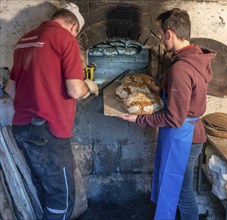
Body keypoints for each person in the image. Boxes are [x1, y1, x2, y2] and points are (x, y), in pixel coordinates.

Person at [119, 8, 216, 220]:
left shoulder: (181, 68)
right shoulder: (194, 56)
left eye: (161, 34)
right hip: (189, 132)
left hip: (185, 137)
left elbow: (173, 118)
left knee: (181, 191)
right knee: (177, 187)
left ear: (169, 33)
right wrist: (160, 91)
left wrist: (138, 119)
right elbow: (187, 95)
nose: (161, 39)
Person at [5, 3, 98, 220]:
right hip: (49, 131)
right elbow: (75, 89)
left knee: (44, 189)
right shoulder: (65, 39)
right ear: (73, 26)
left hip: (22, 128)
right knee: (62, 199)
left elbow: (11, 89)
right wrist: (89, 86)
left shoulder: (24, 40)